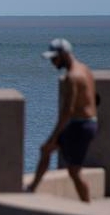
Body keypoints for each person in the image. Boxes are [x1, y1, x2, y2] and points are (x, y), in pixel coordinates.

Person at [26, 38, 98, 202]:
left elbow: (67, 112)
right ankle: (31, 188)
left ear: (64, 55)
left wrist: (53, 137)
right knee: (60, 161)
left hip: (80, 126)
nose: (52, 62)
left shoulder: (71, 77)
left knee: (69, 167)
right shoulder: (85, 70)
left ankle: (87, 205)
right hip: (90, 123)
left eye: (54, 58)